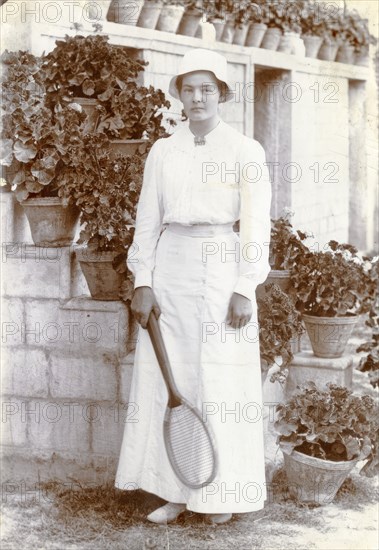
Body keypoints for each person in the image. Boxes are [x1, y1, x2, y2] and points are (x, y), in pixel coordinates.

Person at [115, 48, 272, 525]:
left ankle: (219, 494)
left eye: (207, 88)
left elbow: (256, 226)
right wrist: (143, 280)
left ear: (221, 94)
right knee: (169, 377)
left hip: (224, 269)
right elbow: (146, 222)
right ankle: (175, 491)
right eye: (189, 88)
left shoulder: (246, 150)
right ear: (179, 94)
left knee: (221, 377)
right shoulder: (163, 150)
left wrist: (246, 286)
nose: (198, 97)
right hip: (171, 266)